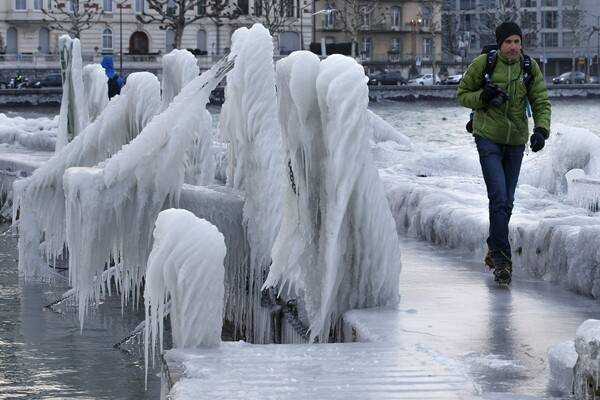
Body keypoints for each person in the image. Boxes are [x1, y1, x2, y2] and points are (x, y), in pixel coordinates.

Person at [457, 21, 551, 284]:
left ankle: (493, 247)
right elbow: (462, 94)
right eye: (508, 42)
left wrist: (541, 130)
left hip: (516, 142)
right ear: (500, 44)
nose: (513, 47)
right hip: (487, 137)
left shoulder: (529, 68)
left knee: (507, 202)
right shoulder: (482, 65)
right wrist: (483, 97)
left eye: (517, 42)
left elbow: (541, 100)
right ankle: (501, 259)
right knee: (498, 196)